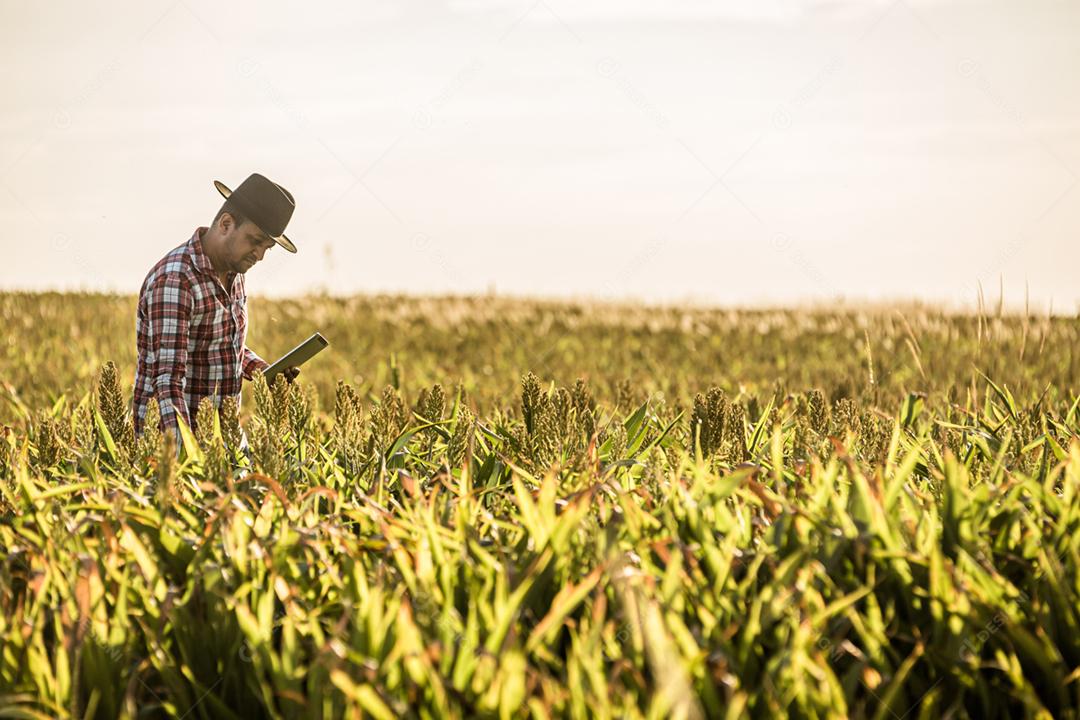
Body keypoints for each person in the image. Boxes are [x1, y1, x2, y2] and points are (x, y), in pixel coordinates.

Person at [132, 173, 299, 436]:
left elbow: (218, 343)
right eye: (256, 242)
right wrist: (184, 453)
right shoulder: (177, 280)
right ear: (225, 224)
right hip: (173, 442)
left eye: (267, 248)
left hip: (223, 437)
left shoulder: (235, 273)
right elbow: (167, 382)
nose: (261, 256)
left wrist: (261, 370)